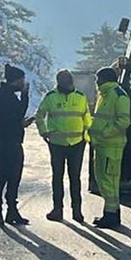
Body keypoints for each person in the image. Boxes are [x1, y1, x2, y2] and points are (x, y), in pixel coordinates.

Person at [34, 69, 91, 223]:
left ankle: (77, 211)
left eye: (69, 81)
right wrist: (44, 132)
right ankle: (57, 209)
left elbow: (86, 117)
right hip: (57, 144)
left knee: (75, 178)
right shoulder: (50, 97)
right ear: (59, 82)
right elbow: (39, 115)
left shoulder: (80, 97)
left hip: (77, 144)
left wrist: (86, 137)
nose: (68, 84)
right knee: (58, 177)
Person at [86, 66, 130, 229]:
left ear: (104, 79)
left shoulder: (118, 96)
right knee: (102, 179)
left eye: (98, 79)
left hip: (111, 145)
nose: (97, 82)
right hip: (101, 145)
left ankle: (112, 216)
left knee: (109, 181)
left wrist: (104, 133)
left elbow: (123, 121)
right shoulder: (104, 95)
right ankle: (109, 213)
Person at [0, 64, 34, 226]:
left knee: (3, 176)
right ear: (15, 81)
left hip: (3, 140)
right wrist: (25, 96)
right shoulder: (6, 96)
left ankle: (5, 211)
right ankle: (5, 210)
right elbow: (16, 115)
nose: (23, 83)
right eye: (22, 80)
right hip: (10, 141)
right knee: (10, 176)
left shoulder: (1, 94)